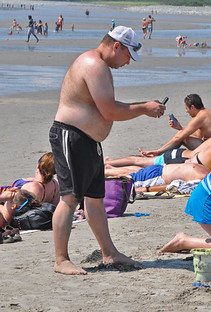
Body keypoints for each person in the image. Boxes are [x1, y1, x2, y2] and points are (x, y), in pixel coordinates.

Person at [48, 26, 166, 275]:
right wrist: (144, 107)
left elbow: (108, 107)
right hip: (72, 136)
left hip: (88, 141)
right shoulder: (93, 64)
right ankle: (61, 260)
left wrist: (142, 106)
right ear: (117, 46)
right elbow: (109, 111)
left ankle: (109, 253)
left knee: (95, 200)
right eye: (128, 56)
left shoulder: (100, 65)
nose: (127, 63)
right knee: (70, 198)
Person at [105, 118, 211, 168]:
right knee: (137, 163)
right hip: (179, 158)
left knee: (139, 162)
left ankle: (111, 162)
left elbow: (193, 142)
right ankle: (107, 164)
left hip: (181, 155)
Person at [138, 94, 211, 157]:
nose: (186, 111)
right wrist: (180, 128)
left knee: (181, 136)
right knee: (182, 134)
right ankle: (159, 153)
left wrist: (159, 150)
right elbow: (197, 136)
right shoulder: (208, 112)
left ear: (193, 107)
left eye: (187, 108)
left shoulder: (200, 117)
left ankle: (158, 154)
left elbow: (180, 137)